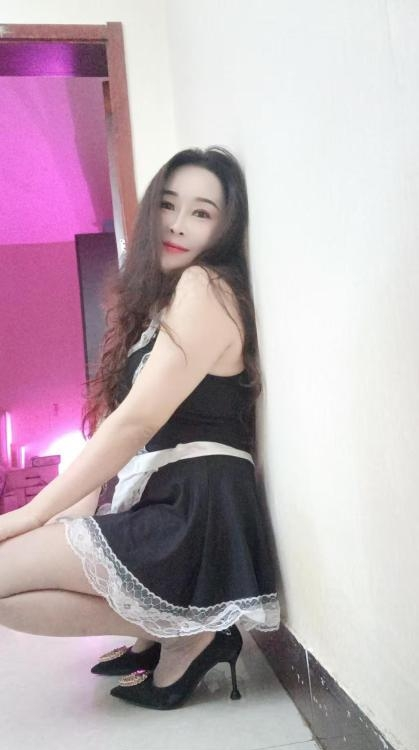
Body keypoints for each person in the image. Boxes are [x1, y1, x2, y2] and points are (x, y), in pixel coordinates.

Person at [0, 146, 280, 710]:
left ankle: (189, 631)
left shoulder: (205, 284)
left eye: (201, 213)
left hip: (197, 505)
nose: (177, 224)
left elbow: (139, 419)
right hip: (174, 495)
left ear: (225, 228)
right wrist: (71, 510)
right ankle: (176, 631)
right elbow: (129, 427)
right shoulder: (165, 301)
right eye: (168, 205)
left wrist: (33, 513)